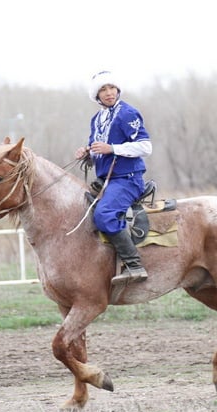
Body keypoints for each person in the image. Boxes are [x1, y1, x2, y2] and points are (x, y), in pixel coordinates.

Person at [75, 70, 152, 286]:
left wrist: (112, 148)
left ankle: (134, 265)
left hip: (128, 179)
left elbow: (146, 146)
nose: (109, 93)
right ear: (97, 96)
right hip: (106, 181)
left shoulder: (127, 113)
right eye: (103, 89)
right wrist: (88, 154)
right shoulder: (96, 119)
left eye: (111, 88)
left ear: (118, 89)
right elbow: (99, 151)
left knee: (104, 214)